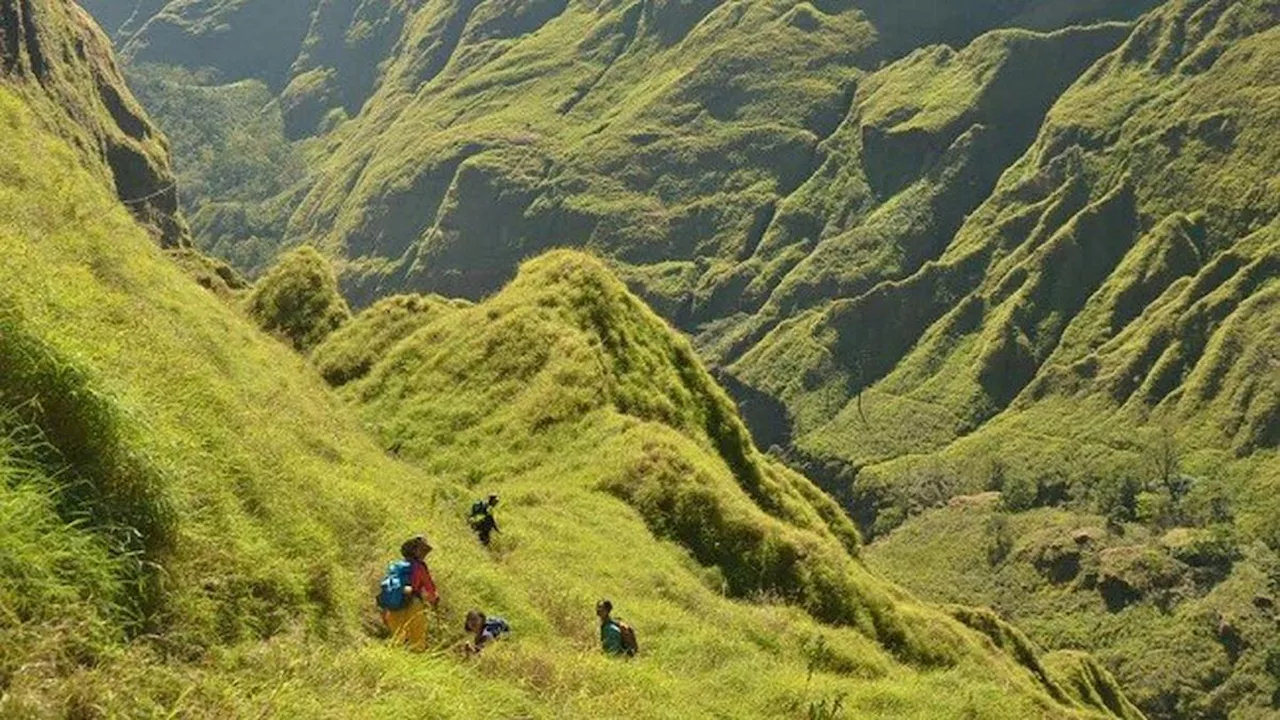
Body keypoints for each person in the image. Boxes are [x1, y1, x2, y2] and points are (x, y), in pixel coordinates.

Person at [381, 535, 439, 652]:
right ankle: (417, 664)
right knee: (417, 641)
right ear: (416, 551)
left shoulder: (394, 566)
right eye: (423, 550)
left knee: (397, 640)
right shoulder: (419, 567)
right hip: (413, 604)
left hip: (392, 606)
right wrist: (434, 601)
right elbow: (430, 589)